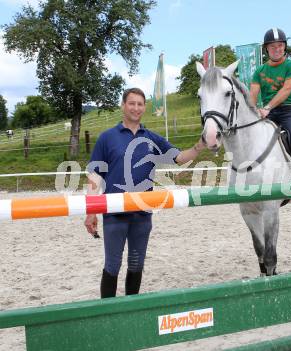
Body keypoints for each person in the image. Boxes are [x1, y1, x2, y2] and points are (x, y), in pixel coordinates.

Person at [84, 87, 205, 298]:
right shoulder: (107, 138)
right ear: (123, 105)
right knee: (112, 265)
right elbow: (94, 177)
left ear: (144, 108)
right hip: (114, 214)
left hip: (142, 214)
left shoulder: (152, 139)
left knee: (136, 264)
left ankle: (131, 311)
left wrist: (201, 145)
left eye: (140, 104)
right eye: (132, 103)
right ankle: (107, 314)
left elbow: (179, 158)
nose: (136, 108)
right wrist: (91, 211)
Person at [249, 28, 291, 204]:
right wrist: (253, 111)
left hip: (288, 112)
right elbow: (253, 94)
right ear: (266, 49)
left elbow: (286, 90)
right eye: (272, 46)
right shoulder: (259, 71)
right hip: (267, 114)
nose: (276, 49)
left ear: (284, 47)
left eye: (280, 46)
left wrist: (268, 106)